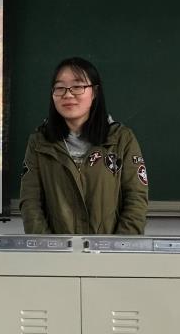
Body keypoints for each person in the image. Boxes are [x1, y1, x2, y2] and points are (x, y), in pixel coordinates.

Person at [19, 57, 148, 234]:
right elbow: (30, 203)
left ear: (94, 92)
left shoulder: (121, 139)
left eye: (77, 86)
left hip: (111, 249)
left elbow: (136, 201)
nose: (68, 94)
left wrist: (117, 246)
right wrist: (48, 246)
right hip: (55, 249)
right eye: (60, 88)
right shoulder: (40, 142)